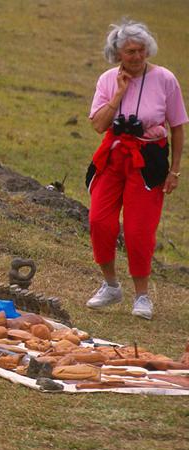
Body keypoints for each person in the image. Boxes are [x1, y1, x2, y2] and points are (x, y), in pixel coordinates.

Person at [86, 20, 187, 319]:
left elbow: (178, 127)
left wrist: (176, 170)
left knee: (138, 230)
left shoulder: (166, 79)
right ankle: (110, 285)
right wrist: (117, 96)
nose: (137, 56)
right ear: (117, 53)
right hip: (114, 157)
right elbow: (98, 125)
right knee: (99, 221)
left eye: (142, 50)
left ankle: (142, 296)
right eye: (130, 51)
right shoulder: (106, 80)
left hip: (149, 161)